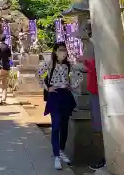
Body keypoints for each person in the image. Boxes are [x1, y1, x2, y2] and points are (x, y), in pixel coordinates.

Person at [38, 42, 81, 170]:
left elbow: (78, 75)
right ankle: (56, 155)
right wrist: (47, 88)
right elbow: (38, 74)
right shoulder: (49, 63)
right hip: (54, 95)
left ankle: (61, 150)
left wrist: (72, 85)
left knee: (64, 126)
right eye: (60, 50)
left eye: (64, 50)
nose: (63, 52)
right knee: (56, 125)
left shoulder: (69, 64)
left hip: (65, 95)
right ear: (55, 51)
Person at [80, 24, 106, 170]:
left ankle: (106, 158)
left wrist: (85, 61)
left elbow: (99, 65)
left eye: (90, 32)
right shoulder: (92, 46)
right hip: (94, 88)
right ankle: (103, 157)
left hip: (100, 89)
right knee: (98, 128)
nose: (88, 36)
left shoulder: (101, 46)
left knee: (101, 128)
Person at [0, 35, 12, 105]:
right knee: (5, 85)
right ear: (5, 39)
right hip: (6, 68)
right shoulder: (7, 47)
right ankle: (3, 100)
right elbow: (9, 57)